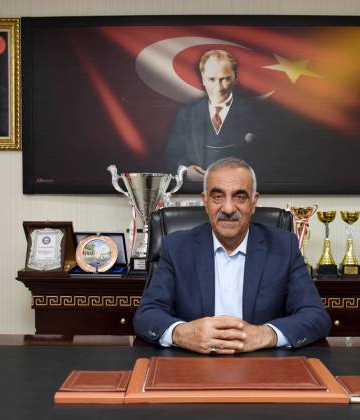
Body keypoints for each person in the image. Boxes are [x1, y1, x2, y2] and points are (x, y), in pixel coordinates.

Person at [133, 158, 331, 354]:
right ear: (205, 201)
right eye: (217, 197)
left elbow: (315, 316)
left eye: (240, 197)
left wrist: (265, 335)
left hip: (262, 364)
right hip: (193, 363)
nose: (228, 209)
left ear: (254, 202)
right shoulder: (176, 247)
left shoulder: (283, 247)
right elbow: (147, 314)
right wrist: (183, 333)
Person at [164, 50, 263, 182]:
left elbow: (267, 157)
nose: (218, 88)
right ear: (203, 79)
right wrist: (185, 171)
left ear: (235, 78)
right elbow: (173, 153)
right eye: (211, 79)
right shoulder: (187, 112)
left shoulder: (255, 112)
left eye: (225, 79)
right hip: (198, 189)